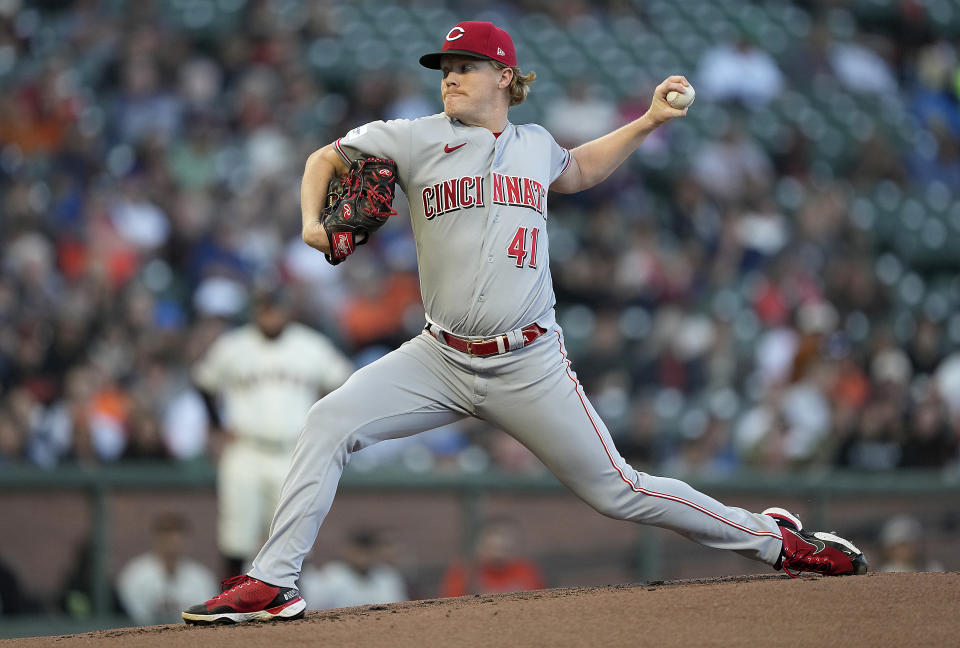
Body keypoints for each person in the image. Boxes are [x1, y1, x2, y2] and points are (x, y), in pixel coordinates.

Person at [182, 21, 868, 625]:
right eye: (445, 70)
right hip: (438, 357)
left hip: (528, 362)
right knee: (328, 421)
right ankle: (273, 582)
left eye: (464, 68)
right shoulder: (416, 138)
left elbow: (579, 169)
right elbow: (323, 160)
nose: (449, 79)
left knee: (621, 491)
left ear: (504, 77)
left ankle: (777, 541)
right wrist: (309, 223)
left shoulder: (536, 145)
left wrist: (649, 121)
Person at [192, 285, 354, 577]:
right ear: (255, 311)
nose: (269, 315)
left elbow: (344, 382)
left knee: (293, 535)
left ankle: (293, 607)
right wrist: (216, 425)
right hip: (245, 450)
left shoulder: (310, 345)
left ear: (286, 311)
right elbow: (204, 382)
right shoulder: (233, 346)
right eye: (264, 308)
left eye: (275, 308)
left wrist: (326, 427)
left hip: (291, 451)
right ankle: (228, 605)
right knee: (236, 537)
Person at [116, 513, 218, 625]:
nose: (172, 539)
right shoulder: (134, 574)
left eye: (178, 533)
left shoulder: (201, 577)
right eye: (166, 533)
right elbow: (135, 618)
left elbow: (207, 618)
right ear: (156, 537)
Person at [299, 528, 408, 610]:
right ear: (347, 551)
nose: (363, 557)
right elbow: (315, 609)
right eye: (359, 551)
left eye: (368, 551)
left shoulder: (388, 577)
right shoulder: (332, 576)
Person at [440, 517, 545, 598]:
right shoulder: (464, 572)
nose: (498, 553)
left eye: (504, 547)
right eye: (492, 546)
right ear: (480, 546)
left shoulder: (526, 571)